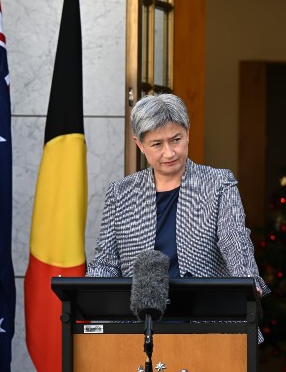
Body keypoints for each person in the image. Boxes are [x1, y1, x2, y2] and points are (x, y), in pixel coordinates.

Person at [86, 93, 269, 298]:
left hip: (207, 318)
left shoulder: (218, 183)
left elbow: (234, 240)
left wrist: (247, 280)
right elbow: (106, 262)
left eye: (176, 140)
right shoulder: (120, 193)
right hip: (140, 321)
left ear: (188, 133)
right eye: (157, 144)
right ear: (140, 145)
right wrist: (90, 295)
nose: (169, 153)